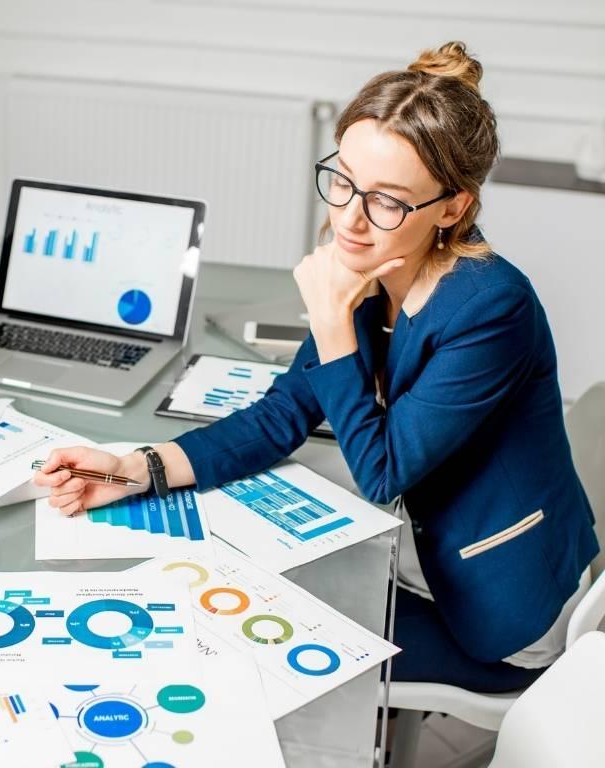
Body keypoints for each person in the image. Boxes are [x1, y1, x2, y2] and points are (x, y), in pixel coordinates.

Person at [35, 42, 599, 691]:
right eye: (344, 181)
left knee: (240, 656)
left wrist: (332, 325)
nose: (350, 220)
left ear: (452, 207)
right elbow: (282, 416)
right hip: (418, 553)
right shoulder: (372, 267)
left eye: (387, 200)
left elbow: (382, 471)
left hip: (498, 611)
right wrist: (140, 468)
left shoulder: (491, 309)